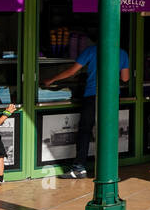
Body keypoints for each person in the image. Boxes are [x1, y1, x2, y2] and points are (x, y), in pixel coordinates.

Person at [42, 33, 131, 179]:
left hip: (92, 95)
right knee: (107, 131)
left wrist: (51, 80)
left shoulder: (91, 51)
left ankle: (79, 168)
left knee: (85, 130)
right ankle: (108, 168)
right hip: (112, 97)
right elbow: (125, 78)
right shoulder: (122, 53)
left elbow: (72, 71)